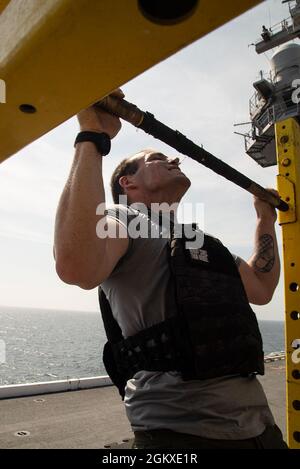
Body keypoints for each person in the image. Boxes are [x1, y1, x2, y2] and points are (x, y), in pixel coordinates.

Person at [54, 90, 288, 449]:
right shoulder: (123, 220)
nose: (174, 159)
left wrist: (264, 219)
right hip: (178, 436)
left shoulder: (199, 241)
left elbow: (260, 288)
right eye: (157, 157)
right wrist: (91, 134)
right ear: (127, 183)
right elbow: (76, 266)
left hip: (261, 430)